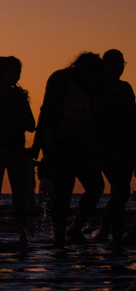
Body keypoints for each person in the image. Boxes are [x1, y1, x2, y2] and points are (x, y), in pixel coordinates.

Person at [31, 53, 105, 246]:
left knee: (96, 186)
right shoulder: (61, 79)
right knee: (64, 192)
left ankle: (75, 228)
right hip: (59, 144)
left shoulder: (93, 87)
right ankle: (59, 238)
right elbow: (46, 112)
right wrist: (37, 146)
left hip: (84, 146)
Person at [0, 56, 36, 243]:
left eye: (18, 72)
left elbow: (31, 124)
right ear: (2, 72)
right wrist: (12, 119)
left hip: (17, 150)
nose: (17, 76)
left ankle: (22, 236)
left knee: (20, 197)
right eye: (13, 72)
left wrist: (14, 114)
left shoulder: (20, 96)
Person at [96, 49, 135, 245]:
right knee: (122, 191)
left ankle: (116, 235)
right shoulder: (98, 88)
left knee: (120, 190)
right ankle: (104, 230)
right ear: (106, 64)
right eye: (116, 63)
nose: (119, 68)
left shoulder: (126, 88)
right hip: (106, 147)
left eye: (122, 64)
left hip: (126, 147)